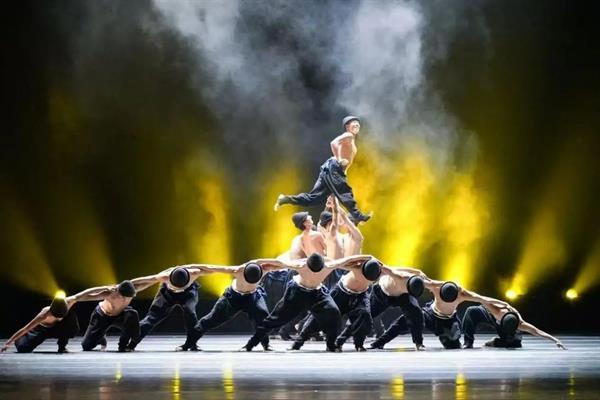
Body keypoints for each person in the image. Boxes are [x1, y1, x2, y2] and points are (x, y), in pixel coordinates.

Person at [242, 254, 371, 352]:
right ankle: (250, 344)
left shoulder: (329, 265)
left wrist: (369, 257)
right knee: (275, 319)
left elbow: (348, 259)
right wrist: (257, 262)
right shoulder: (301, 265)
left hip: (317, 293)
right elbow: (278, 263)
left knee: (334, 313)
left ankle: (331, 345)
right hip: (297, 292)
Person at [274, 116, 371, 224]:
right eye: (354, 123)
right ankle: (358, 216)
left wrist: (343, 173)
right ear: (347, 126)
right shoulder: (348, 135)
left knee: (314, 199)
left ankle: (285, 199)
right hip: (334, 167)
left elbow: (347, 161)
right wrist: (339, 159)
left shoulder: (351, 141)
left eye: (358, 123)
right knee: (344, 191)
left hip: (332, 169)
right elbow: (334, 143)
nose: (357, 124)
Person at [186, 260, 290, 351]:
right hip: (233, 297)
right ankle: (188, 344)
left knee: (263, 318)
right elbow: (212, 267)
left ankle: (266, 344)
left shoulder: (264, 269)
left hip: (252, 296)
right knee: (211, 319)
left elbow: (281, 264)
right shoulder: (238, 270)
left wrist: (293, 265)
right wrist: (189, 267)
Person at [290, 258, 383, 351]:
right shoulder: (356, 267)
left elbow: (390, 271)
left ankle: (357, 344)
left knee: (364, 315)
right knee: (324, 315)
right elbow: (340, 263)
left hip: (361, 295)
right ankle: (299, 341)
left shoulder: (379, 270)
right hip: (342, 293)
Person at [336, 264, 428, 350]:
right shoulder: (399, 276)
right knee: (364, 316)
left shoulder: (420, 283)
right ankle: (340, 340)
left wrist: (419, 273)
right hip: (382, 293)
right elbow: (388, 268)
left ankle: (418, 343)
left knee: (416, 313)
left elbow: (433, 285)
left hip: (402, 297)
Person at [0, 286, 115, 353]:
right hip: (42, 331)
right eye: (57, 316)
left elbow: (87, 292)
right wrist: (8, 343)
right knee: (23, 348)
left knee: (70, 319)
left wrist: (105, 288)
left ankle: (62, 347)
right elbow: (25, 328)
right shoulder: (44, 314)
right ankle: (21, 341)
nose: (59, 317)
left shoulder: (70, 301)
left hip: (57, 328)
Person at [128, 265, 214, 351]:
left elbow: (213, 268)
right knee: (152, 317)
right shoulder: (164, 276)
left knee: (190, 313)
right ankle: (132, 344)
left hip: (188, 293)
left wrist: (223, 268)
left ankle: (192, 344)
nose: (178, 289)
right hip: (168, 294)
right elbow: (146, 279)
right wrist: (126, 284)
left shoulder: (194, 272)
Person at [80, 277, 158, 352]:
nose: (126, 299)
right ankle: (101, 337)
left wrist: (158, 278)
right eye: (124, 297)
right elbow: (87, 296)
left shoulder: (132, 290)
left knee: (132, 314)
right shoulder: (110, 293)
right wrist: (75, 298)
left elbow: (148, 281)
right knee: (86, 346)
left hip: (119, 316)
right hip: (102, 316)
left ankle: (122, 346)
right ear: (119, 294)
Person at [462, 298, 566, 349]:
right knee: (471, 310)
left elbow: (537, 331)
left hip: (507, 325)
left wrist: (555, 340)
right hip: (491, 314)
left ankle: (495, 341)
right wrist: (503, 303)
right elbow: (482, 299)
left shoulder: (520, 324)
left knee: (515, 343)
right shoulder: (497, 311)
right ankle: (468, 342)